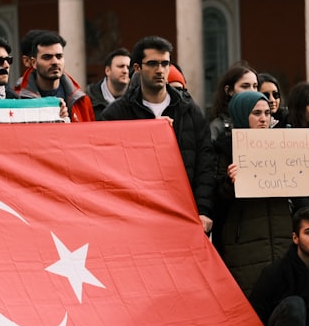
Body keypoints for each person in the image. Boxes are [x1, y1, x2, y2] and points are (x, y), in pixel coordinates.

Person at [100, 36, 215, 234]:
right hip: (134, 217)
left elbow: (205, 165)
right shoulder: (115, 114)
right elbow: (105, 165)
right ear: (137, 68)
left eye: (165, 63)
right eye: (152, 64)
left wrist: (203, 210)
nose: (160, 70)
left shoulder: (190, 112)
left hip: (183, 213)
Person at [215, 91, 309, 295]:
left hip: (281, 237)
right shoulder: (225, 148)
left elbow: (303, 199)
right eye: (256, 113)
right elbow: (217, 199)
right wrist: (229, 182)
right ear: (241, 114)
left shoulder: (284, 145)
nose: (263, 119)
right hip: (245, 243)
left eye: (267, 113)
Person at [14, 31, 94, 122]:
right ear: (33, 63)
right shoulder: (17, 100)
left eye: (59, 56)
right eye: (47, 57)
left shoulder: (82, 101)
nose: (55, 62)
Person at [208, 63, 258, 142]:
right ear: (229, 91)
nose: (252, 91)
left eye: (255, 86)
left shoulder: (264, 120)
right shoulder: (217, 127)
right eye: (245, 86)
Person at [87, 47, 131, 115]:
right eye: (121, 66)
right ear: (108, 70)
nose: (125, 71)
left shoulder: (139, 97)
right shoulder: (89, 98)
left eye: (128, 67)